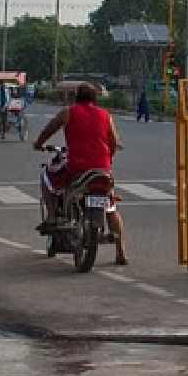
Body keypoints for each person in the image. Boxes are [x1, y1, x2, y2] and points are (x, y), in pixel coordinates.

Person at [33, 84, 128, 265]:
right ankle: (121, 251)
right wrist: (109, 159)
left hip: (77, 168)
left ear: (77, 97)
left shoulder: (68, 112)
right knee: (110, 206)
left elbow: (48, 130)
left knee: (47, 176)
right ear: (95, 99)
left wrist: (38, 144)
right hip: (102, 170)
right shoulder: (105, 115)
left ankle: (52, 215)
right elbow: (114, 142)